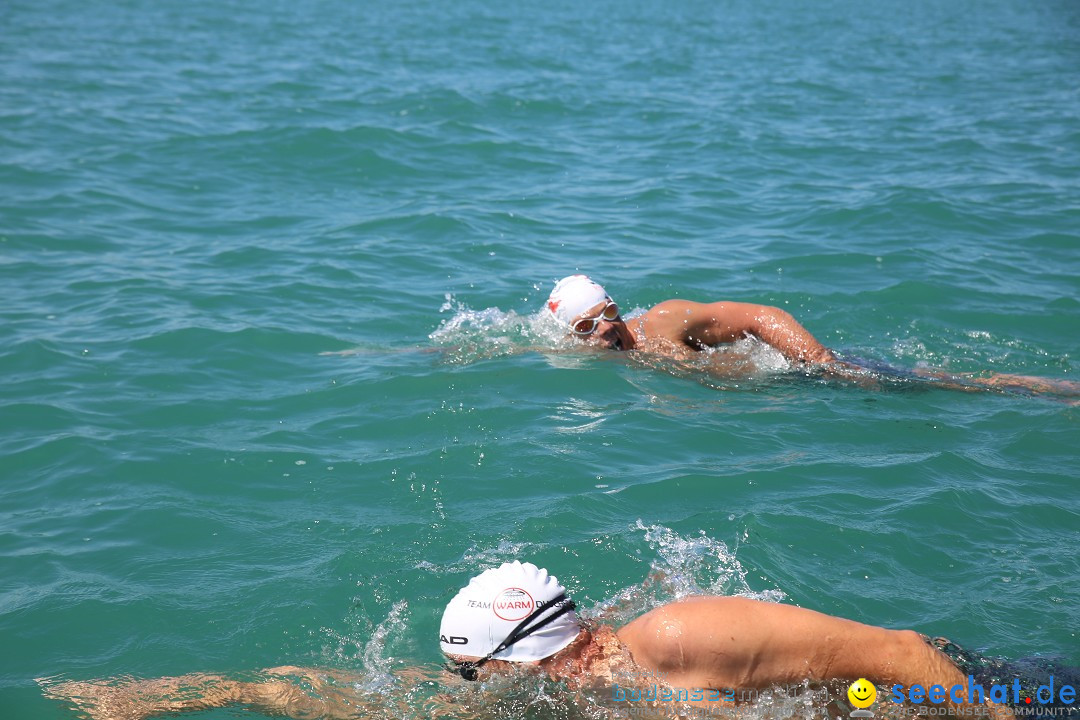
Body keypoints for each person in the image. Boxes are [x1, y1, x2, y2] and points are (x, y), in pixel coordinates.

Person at [41, 561, 1016, 720]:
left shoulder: (684, 633)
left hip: (945, 692)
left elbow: (895, 651)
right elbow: (344, 695)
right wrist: (176, 693)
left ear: (544, 653)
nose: (460, 692)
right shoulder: (552, 691)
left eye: (474, 676)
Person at [545, 274, 1079, 398]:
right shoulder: (607, 359)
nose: (603, 333)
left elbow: (759, 314)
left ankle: (1046, 389)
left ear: (616, 307)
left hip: (811, 370)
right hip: (794, 389)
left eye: (604, 317)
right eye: (585, 329)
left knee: (955, 386)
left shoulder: (664, 320)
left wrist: (820, 361)